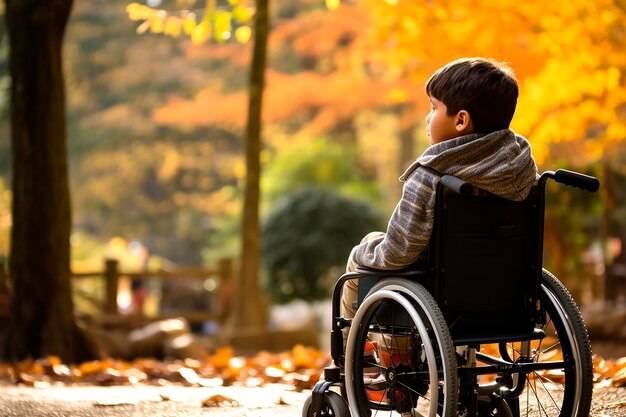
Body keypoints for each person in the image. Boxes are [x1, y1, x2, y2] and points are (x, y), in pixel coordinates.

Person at [340, 57, 539, 321]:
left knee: (363, 253)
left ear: (461, 121)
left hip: (439, 292)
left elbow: (398, 252)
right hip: (503, 288)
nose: (427, 116)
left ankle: (358, 353)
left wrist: (362, 251)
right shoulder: (523, 169)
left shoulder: (432, 175)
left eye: (433, 108)